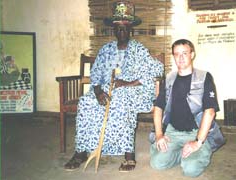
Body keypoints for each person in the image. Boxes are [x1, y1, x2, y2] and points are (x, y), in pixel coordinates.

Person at [64, 1, 164, 172]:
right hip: (107, 90)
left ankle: (128, 154)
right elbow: (95, 74)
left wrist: (127, 83)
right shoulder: (106, 50)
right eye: (118, 28)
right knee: (86, 102)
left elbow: (157, 70)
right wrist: (97, 91)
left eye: (125, 27)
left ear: (130, 29)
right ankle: (82, 151)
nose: (121, 31)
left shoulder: (139, 50)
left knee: (120, 99)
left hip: (133, 90)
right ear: (114, 30)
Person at [150, 39, 225, 177]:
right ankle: (182, 153)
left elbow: (210, 112)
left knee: (190, 170)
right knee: (157, 163)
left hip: (197, 131)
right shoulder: (169, 79)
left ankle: (197, 152)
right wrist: (159, 134)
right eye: (177, 54)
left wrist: (197, 142)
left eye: (184, 53)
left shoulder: (204, 77)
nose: (181, 57)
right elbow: (158, 107)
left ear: (192, 54)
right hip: (173, 131)